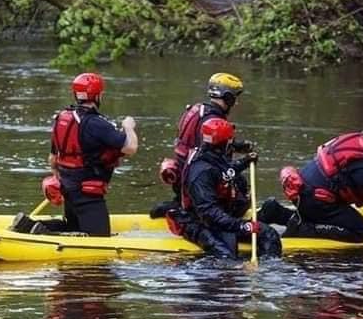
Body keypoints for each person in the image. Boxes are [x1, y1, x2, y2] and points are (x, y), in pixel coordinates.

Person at [35, 72, 138, 236]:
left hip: (68, 188)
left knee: (73, 227)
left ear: (76, 94)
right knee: (100, 236)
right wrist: (128, 126)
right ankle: (41, 232)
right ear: (98, 95)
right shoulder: (96, 123)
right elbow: (130, 147)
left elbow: (53, 160)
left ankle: (31, 225)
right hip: (88, 193)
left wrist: (63, 182)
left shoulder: (63, 118)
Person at [169, 117, 281, 260]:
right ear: (224, 143)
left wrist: (244, 162)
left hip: (222, 218)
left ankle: (270, 269)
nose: (231, 143)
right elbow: (209, 212)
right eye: (230, 140)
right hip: (201, 222)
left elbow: (223, 173)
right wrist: (241, 226)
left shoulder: (212, 155)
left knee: (269, 234)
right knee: (227, 258)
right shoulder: (201, 172)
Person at [151, 72, 253, 217]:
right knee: (240, 187)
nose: (236, 102)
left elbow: (204, 144)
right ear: (228, 98)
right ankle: (225, 218)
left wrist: (237, 146)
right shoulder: (212, 121)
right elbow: (214, 160)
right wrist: (244, 162)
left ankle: (178, 204)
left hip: (184, 176)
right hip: (196, 181)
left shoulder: (198, 111)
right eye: (234, 98)